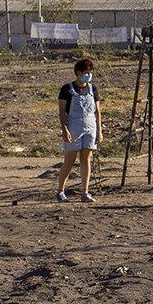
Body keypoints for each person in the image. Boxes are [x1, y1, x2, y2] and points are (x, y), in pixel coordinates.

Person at [56, 58, 103, 203]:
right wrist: (64, 130)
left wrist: (99, 131)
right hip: (73, 127)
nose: (88, 75)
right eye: (86, 73)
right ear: (78, 73)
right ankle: (60, 191)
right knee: (69, 161)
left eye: (90, 73)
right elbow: (62, 112)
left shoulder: (92, 89)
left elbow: (97, 111)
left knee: (86, 160)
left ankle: (85, 192)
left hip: (90, 126)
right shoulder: (67, 89)